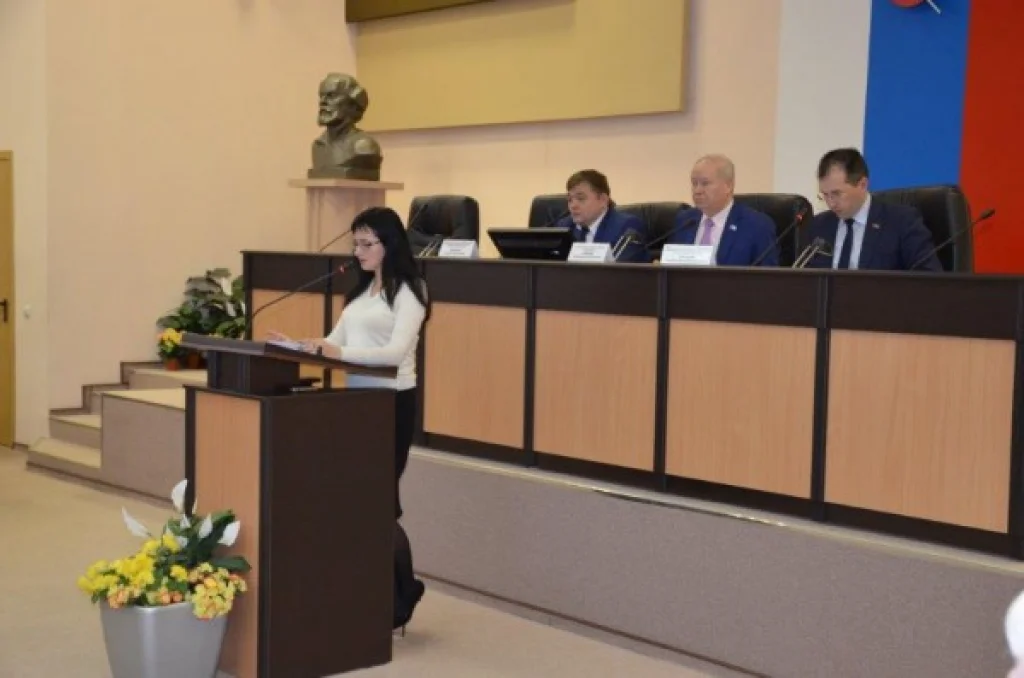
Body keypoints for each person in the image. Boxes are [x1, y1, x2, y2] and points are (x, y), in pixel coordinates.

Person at [268, 205, 427, 631]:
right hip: (355, 403)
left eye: (366, 244)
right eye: (355, 243)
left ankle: (403, 592)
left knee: (378, 503)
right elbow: (335, 342)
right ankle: (375, 592)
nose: (358, 252)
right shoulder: (359, 294)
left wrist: (338, 351)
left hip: (391, 402)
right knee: (357, 501)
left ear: (389, 244)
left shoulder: (410, 291)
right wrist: (300, 346)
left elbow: (393, 354)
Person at [801, 148, 941, 271]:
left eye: (837, 194)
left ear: (862, 184)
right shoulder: (819, 225)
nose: (831, 203)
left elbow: (928, 278)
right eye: (825, 195)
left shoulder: (901, 222)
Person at [666, 154, 778, 266]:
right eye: (694, 183)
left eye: (705, 183)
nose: (697, 190)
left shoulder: (756, 225)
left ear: (728, 186)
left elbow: (767, 274)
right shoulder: (684, 221)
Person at [555, 169, 650, 263]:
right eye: (570, 200)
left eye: (580, 198)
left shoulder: (627, 227)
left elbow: (621, 269)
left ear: (603, 200)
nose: (573, 206)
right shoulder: (564, 226)